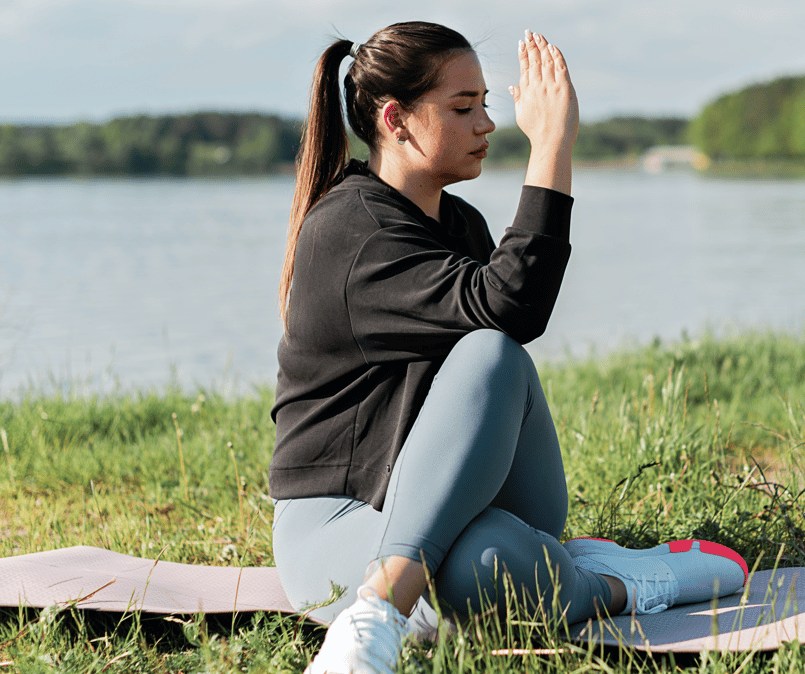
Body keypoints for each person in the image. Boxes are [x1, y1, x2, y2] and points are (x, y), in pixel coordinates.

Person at [270, 21, 748, 674]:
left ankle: (388, 604)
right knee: (486, 566)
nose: (487, 123)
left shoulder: (457, 222)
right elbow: (509, 304)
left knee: (493, 358)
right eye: (464, 107)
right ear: (396, 119)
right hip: (340, 520)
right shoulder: (350, 234)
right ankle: (614, 586)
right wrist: (551, 146)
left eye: (486, 104)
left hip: (473, 497)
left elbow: (508, 314)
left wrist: (551, 143)